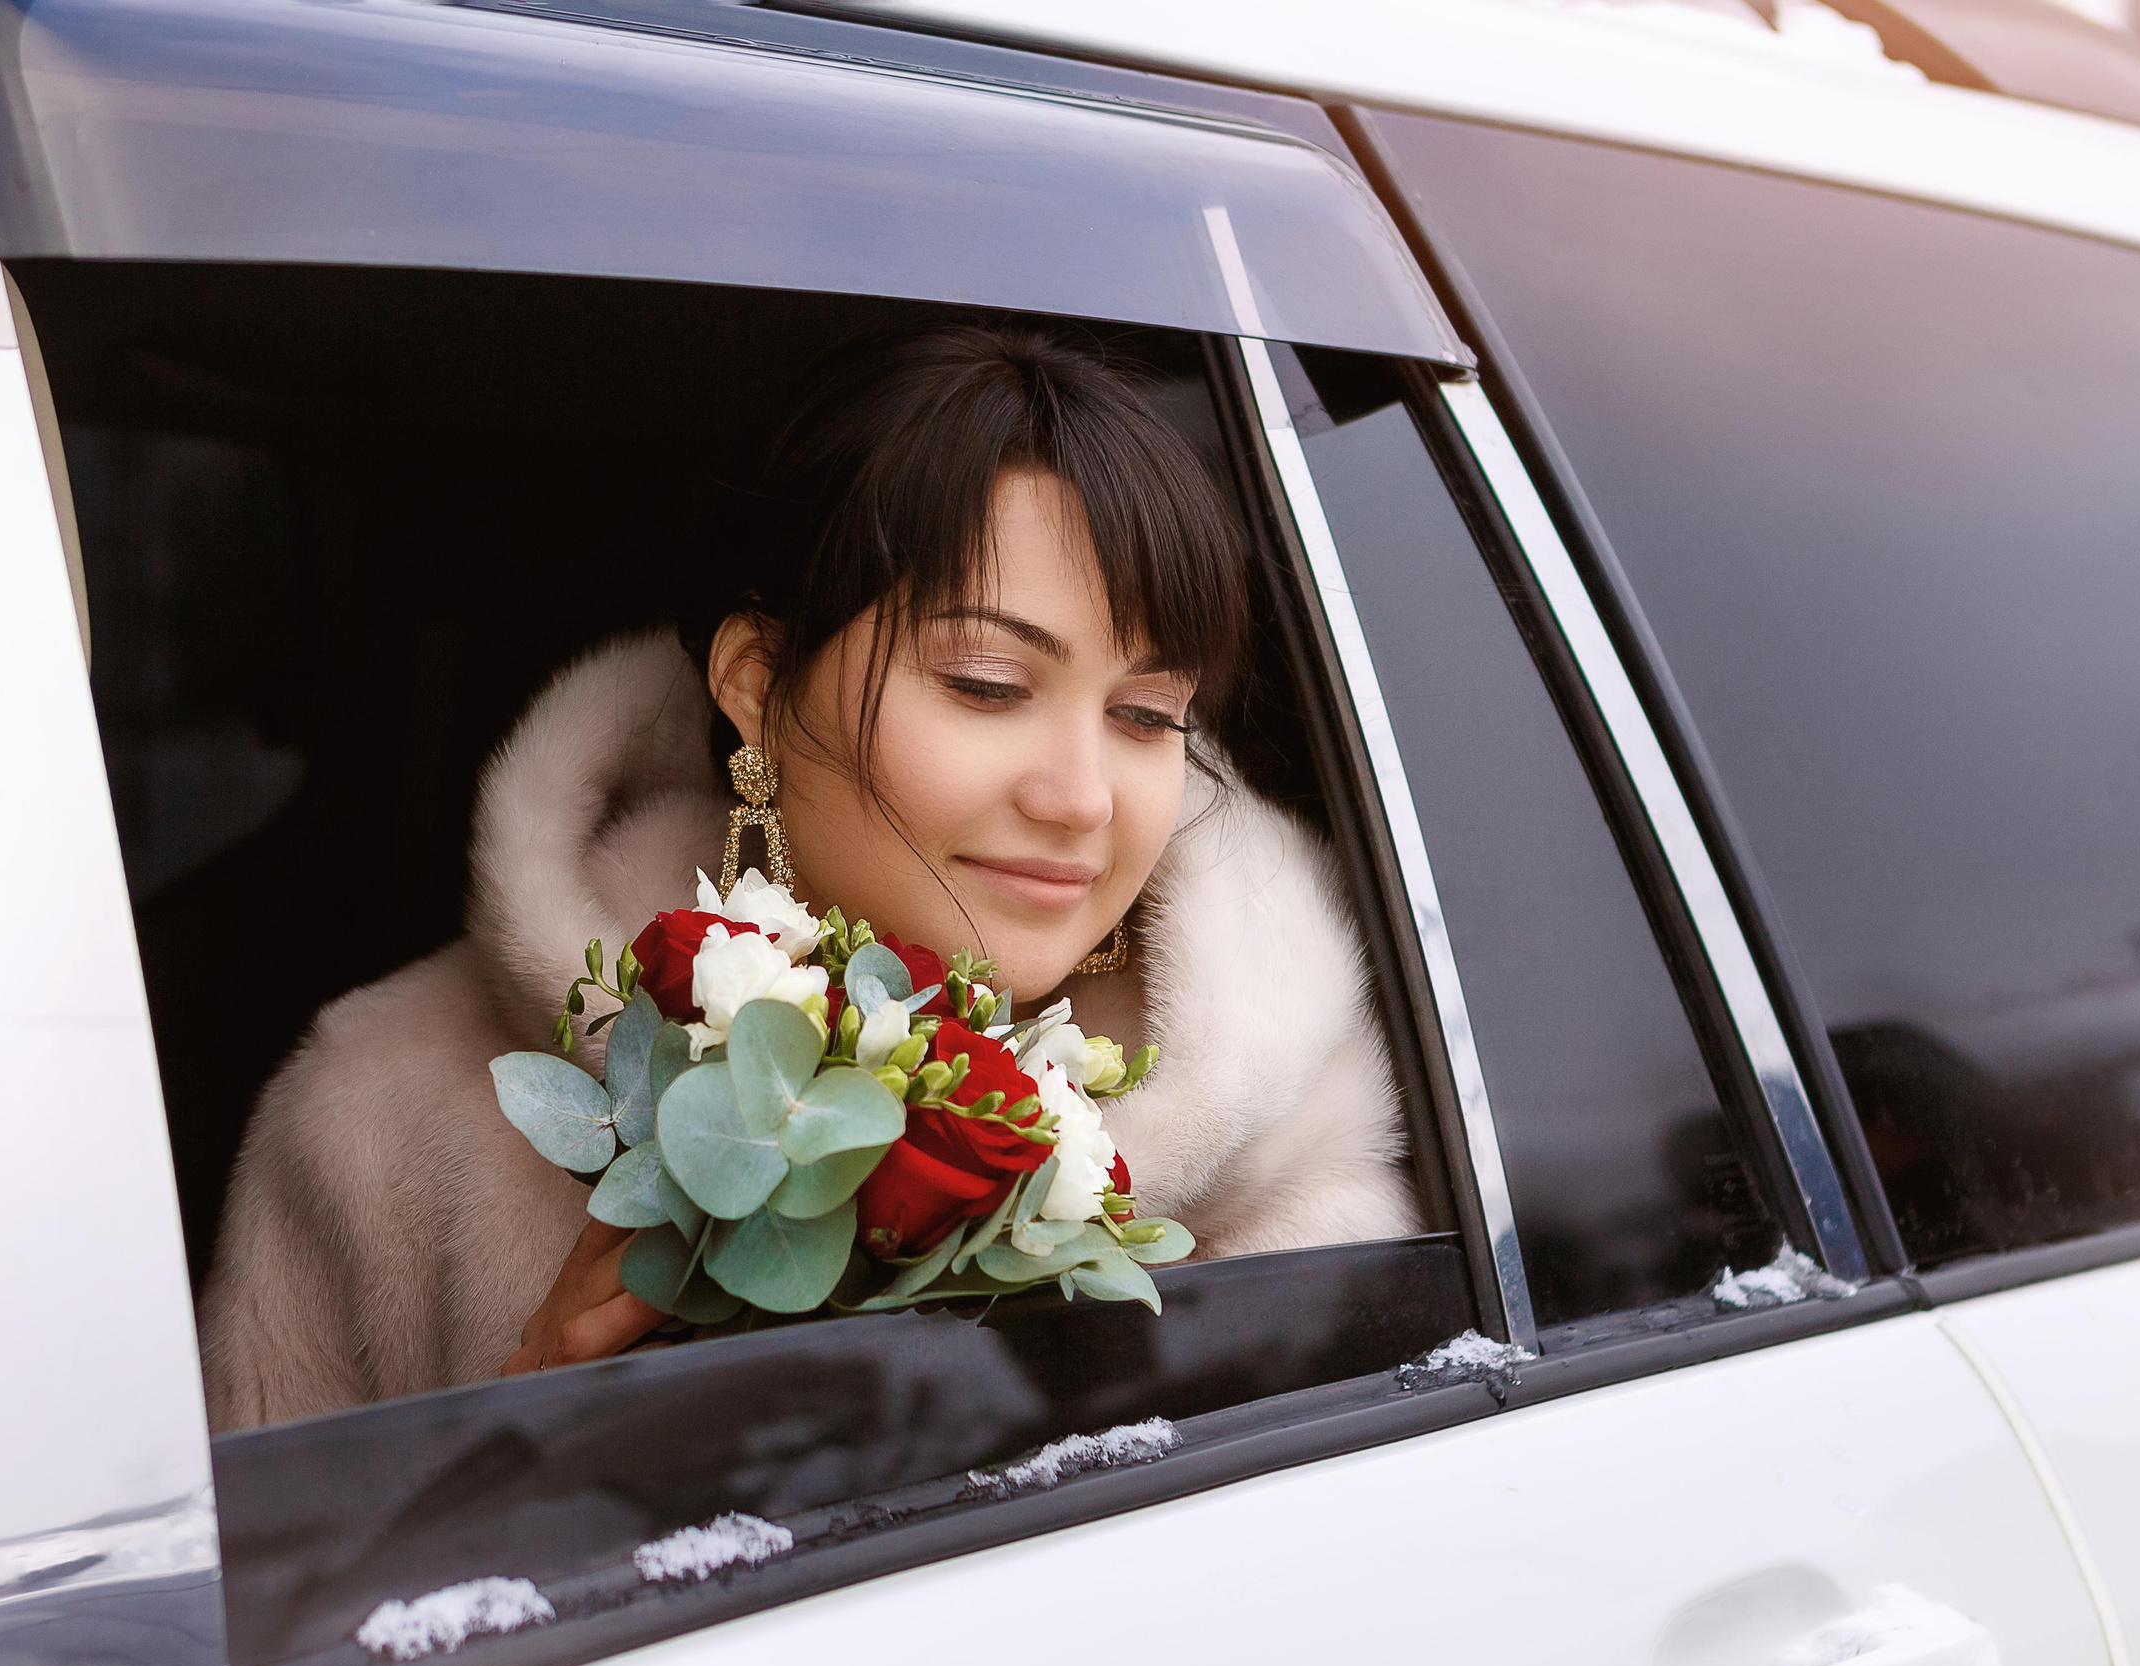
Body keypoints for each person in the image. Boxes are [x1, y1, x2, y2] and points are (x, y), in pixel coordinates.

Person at [198, 323, 1420, 1430]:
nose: (1081, 797)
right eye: (988, 686)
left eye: (1149, 714)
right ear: (754, 684)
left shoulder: (1298, 1162)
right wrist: (540, 1426)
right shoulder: (378, 1125)